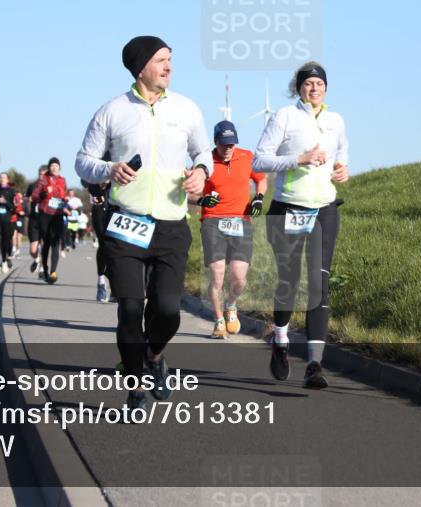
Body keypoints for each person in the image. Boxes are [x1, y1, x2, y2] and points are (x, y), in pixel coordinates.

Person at [75, 35, 211, 416]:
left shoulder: (186, 109)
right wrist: (108, 168)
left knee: (168, 310)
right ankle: (134, 385)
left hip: (170, 224)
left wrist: (201, 171)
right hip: (125, 224)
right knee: (131, 309)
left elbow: (203, 152)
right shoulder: (112, 111)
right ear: (140, 68)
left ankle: (153, 355)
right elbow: (83, 160)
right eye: (160, 60)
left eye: (170, 59)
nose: (168, 66)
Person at [253, 62, 348, 389]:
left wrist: (341, 168)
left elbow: (342, 153)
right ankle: (280, 337)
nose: (314, 88)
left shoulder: (336, 120)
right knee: (290, 280)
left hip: (324, 208)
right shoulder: (284, 117)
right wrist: (299, 159)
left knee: (319, 284)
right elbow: (259, 160)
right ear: (299, 88)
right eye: (308, 83)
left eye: (319, 83)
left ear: (326, 88)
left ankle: (314, 365)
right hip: (288, 208)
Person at [195, 120, 267, 339]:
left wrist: (259, 198)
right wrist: (201, 200)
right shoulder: (205, 162)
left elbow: (261, 180)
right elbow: (189, 192)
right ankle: (218, 322)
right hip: (212, 222)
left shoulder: (247, 157)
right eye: (224, 144)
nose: (228, 149)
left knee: (239, 278)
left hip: (241, 222)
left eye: (231, 144)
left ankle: (231, 305)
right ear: (215, 142)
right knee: (217, 276)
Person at [30, 157, 68, 283]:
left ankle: (53, 271)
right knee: (46, 244)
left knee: (55, 243)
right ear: (49, 167)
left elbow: (63, 196)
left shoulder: (63, 180)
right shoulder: (43, 180)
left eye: (56, 166)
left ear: (59, 168)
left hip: (57, 214)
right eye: (52, 166)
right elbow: (35, 196)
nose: (54, 168)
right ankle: (45, 269)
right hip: (45, 214)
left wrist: (66, 203)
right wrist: (44, 193)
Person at [27, 164, 47, 274]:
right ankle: (36, 259)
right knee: (33, 250)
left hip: (45, 219)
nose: (42, 177)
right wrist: (28, 200)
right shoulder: (32, 185)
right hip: (34, 219)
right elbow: (26, 198)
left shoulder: (50, 186)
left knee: (44, 245)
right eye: (40, 174)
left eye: (44, 175)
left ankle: (43, 267)